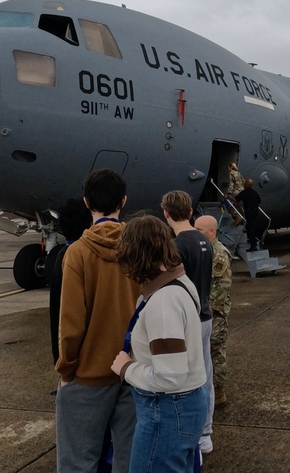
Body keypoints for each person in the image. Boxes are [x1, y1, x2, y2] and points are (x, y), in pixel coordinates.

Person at [55, 169, 141, 473]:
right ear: (124, 201)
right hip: (134, 370)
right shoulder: (139, 248)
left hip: (89, 373)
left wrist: (67, 367)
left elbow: (71, 322)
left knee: (78, 461)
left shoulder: (77, 253)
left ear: (86, 202)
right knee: (130, 460)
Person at [112, 215, 208, 473]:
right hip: (184, 405)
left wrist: (127, 368)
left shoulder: (163, 302)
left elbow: (170, 378)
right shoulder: (180, 283)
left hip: (166, 409)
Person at [160, 190, 215, 454]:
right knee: (206, 375)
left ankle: (192, 437)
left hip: (187, 321)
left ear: (166, 213)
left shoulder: (176, 246)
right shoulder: (205, 242)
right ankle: (205, 433)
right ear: (191, 212)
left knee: (186, 380)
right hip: (205, 315)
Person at [194, 215, 232, 408]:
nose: (195, 233)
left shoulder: (218, 254)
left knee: (215, 353)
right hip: (204, 311)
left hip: (214, 313)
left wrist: (210, 310)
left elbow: (222, 285)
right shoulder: (203, 249)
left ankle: (218, 393)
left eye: (199, 230)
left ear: (211, 231)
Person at [49, 198, 93, 364]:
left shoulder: (63, 257)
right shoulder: (83, 257)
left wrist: (62, 363)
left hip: (70, 360)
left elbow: (60, 317)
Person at [235, 178, 263, 251]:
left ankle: (253, 245)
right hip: (255, 211)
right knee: (251, 225)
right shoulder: (254, 192)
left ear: (246, 184)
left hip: (249, 211)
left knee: (250, 227)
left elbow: (237, 199)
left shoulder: (244, 192)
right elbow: (259, 201)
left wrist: (228, 197)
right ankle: (252, 239)